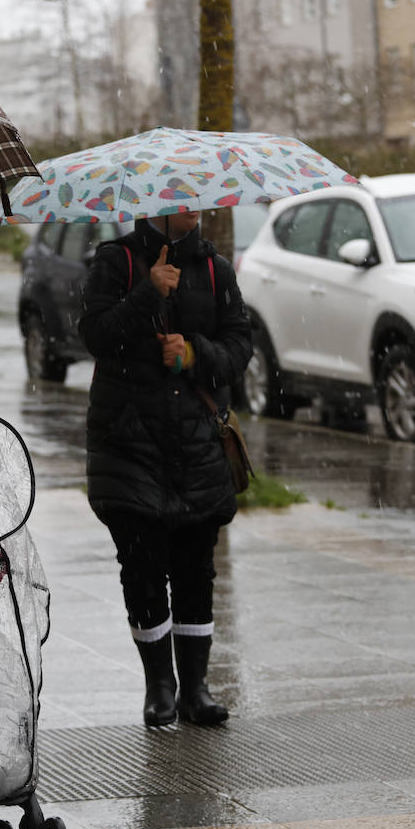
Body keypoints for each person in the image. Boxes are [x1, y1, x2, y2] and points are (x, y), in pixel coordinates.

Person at [78, 207, 252, 727]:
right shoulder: (116, 261)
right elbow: (96, 335)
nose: (189, 207)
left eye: (195, 196)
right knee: (144, 569)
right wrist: (149, 293)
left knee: (196, 570)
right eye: (177, 196)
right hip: (128, 442)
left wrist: (195, 354)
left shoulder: (216, 268)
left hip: (196, 443)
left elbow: (240, 346)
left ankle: (196, 688)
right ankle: (160, 685)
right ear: (150, 203)